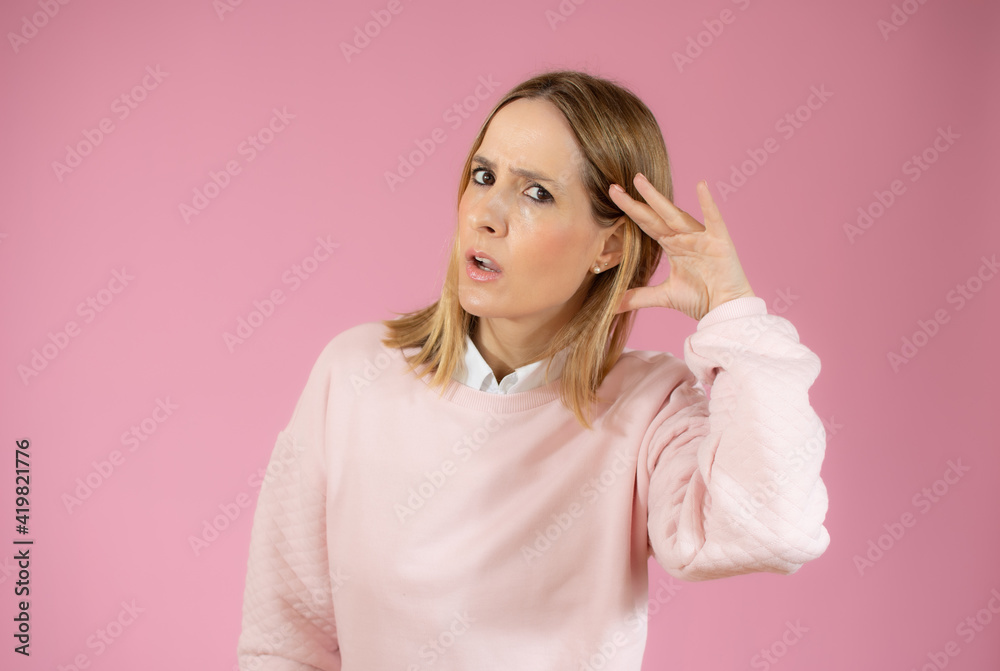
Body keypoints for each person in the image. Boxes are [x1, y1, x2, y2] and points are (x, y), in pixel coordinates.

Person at [236, 69, 831, 670]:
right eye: (483, 176)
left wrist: (734, 315)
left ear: (609, 247)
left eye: (536, 193)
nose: (486, 215)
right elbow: (283, 645)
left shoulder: (650, 406)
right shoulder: (354, 375)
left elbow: (770, 529)